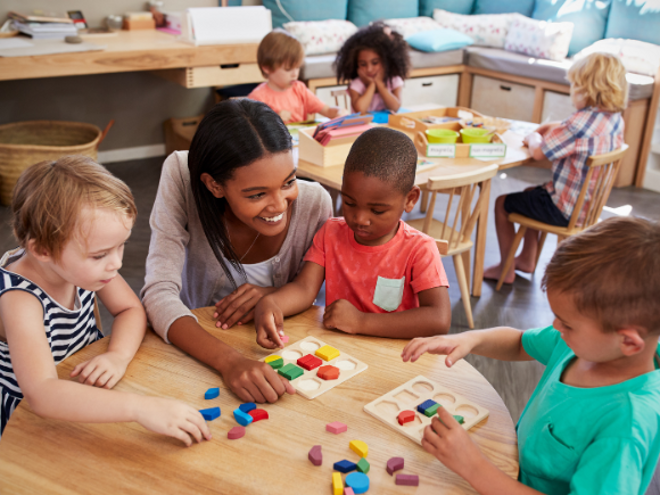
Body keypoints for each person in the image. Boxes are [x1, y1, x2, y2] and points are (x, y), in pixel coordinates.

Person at [402, 216, 660, 495]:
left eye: (567, 323)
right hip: (509, 471)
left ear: (629, 342)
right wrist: (469, 338)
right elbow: (519, 342)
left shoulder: (625, 427)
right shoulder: (581, 345)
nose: (555, 327)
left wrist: (474, 466)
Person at [0, 157, 210, 446]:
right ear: (43, 250)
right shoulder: (19, 300)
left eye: (120, 246)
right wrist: (140, 408)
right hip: (29, 421)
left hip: (84, 387)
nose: (116, 263)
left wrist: (118, 356)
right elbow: (42, 393)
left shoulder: (76, 266)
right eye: (100, 255)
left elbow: (130, 309)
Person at [141, 99, 333, 403]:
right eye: (257, 194)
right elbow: (158, 292)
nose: (279, 205)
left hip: (282, 356)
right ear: (214, 186)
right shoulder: (182, 174)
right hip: (200, 347)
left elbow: (316, 298)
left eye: (288, 182)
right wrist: (229, 362)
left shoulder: (315, 204)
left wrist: (273, 294)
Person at [254, 127, 451, 348]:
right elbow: (304, 289)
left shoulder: (420, 249)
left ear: (410, 199)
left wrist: (361, 321)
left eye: (377, 211)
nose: (360, 219)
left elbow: (439, 319)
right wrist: (272, 302)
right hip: (339, 351)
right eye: (349, 203)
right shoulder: (330, 233)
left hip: (394, 357)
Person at [484, 52, 627, 284]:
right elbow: (580, 133)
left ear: (586, 89)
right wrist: (557, 126)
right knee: (531, 193)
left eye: (574, 86)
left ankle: (505, 269)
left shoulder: (577, 123)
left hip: (564, 210)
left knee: (503, 204)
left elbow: (539, 152)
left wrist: (532, 137)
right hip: (587, 207)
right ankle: (527, 259)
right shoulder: (614, 119)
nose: (571, 91)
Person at [247, 29, 347, 124]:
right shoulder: (257, 98)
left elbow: (327, 110)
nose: (295, 74)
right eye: (288, 69)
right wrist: (273, 119)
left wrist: (339, 112)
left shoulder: (299, 89)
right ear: (267, 68)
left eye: (297, 67)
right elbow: (251, 130)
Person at [335, 21, 410, 114]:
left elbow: (395, 107)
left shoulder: (394, 80)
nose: (369, 69)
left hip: (385, 127)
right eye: (363, 64)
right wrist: (371, 85)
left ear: (386, 61)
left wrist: (380, 84)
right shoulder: (356, 85)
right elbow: (360, 110)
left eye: (375, 63)